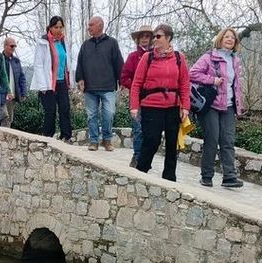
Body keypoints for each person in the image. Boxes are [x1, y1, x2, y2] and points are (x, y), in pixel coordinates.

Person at [129, 24, 190, 182]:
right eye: (154, 36)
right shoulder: (147, 58)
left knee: (172, 144)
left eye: (158, 36)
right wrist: (134, 106)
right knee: (151, 141)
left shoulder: (179, 58)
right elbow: (136, 83)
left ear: (168, 38)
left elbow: (184, 83)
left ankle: (169, 178)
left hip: (173, 107)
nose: (154, 39)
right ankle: (140, 172)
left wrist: (186, 107)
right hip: (151, 106)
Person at [189, 28, 245, 188]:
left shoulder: (235, 60)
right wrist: (212, 80)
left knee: (228, 141)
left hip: (228, 105)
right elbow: (192, 73)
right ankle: (206, 176)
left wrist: (238, 105)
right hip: (211, 105)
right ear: (220, 39)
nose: (230, 39)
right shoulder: (209, 57)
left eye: (233, 38)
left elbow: (236, 85)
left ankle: (229, 177)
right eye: (226, 37)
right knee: (212, 140)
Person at [75, 16, 123, 151]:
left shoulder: (112, 43)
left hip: (108, 87)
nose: (88, 27)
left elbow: (118, 63)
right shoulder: (85, 45)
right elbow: (80, 64)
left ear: (100, 25)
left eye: (91, 25)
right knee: (91, 115)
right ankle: (94, 141)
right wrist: (80, 79)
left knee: (109, 114)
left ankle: (107, 140)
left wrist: (122, 81)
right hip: (90, 88)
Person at [29, 16, 72, 142]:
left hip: (62, 81)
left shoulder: (64, 42)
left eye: (60, 27)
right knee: (50, 111)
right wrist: (43, 85)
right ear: (50, 28)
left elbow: (67, 62)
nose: (58, 30)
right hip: (47, 84)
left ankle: (66, 136)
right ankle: (47, 137)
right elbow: (38, 64)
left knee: (65, 109)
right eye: (55, 27)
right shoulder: (43, 42)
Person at [120, 25, 153, 167]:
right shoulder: (133, 57)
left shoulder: (156, 56)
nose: (145, 39)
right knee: (138, 129)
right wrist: (135, 85)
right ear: (138, 39)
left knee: (150, 130)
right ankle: (137, 156)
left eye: (147, 36)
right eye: (142, 36)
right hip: (137, 98)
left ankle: (145, 158)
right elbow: (124, 77)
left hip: (152, 99)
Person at [0, 37, 27, 128]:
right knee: (3, 116)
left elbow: (21, 77)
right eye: (11, 46)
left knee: (9, 119)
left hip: (12, 95)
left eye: (14, 46)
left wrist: (24, 92)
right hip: (1, 94)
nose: (13, 48)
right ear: (5, 46)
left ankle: (5, 139)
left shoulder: (16, 61)